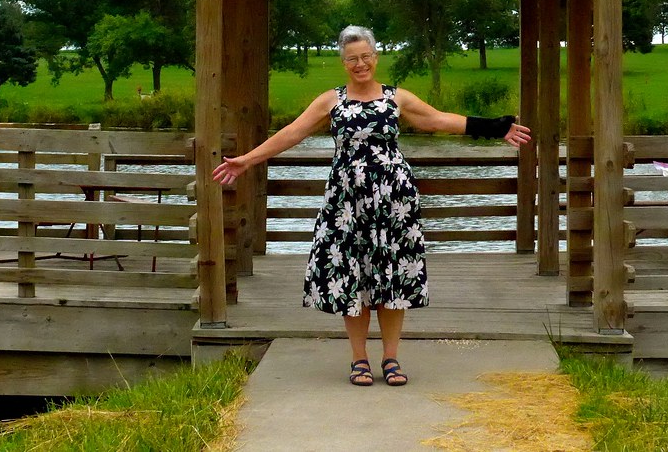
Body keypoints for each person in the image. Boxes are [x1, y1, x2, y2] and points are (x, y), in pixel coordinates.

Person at [212, 25, 531, 387]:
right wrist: (246, 161)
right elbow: (292, 133)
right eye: (352, 59)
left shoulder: (397, 98)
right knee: (353, 276)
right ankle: (359, 359)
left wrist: (494, 127)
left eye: (365, 57)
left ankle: (391, 359)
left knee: (393, 275)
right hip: (346, 203)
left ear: (375, 57)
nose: (360, 64)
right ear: (343, 62)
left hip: (394, 202)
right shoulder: (330, 101)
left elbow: (437, 119)